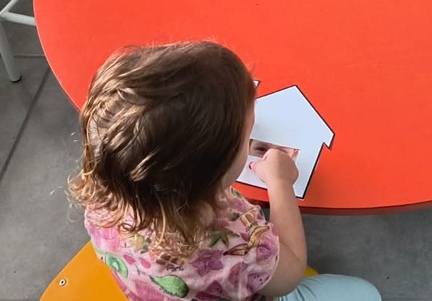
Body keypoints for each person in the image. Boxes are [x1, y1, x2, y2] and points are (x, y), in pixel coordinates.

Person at [70, 41, 382, 301]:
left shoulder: (104, 196)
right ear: (212, 173)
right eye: (246, 135)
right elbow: (290, 275)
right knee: (366, 294)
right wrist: (280, 183)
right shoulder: (233, 243)